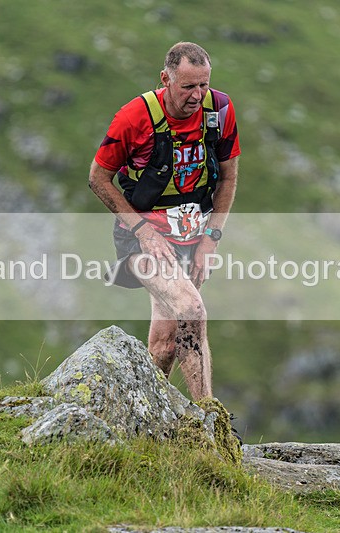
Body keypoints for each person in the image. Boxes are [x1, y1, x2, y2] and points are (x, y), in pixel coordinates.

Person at [89, 41, 240, 401]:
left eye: (203, 84)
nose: (197, 95)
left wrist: (210, 240)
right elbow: (98, 178)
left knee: (165, 342)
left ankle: (147, 420)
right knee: (191, 310)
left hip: (193, 235)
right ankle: (208, 419)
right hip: (142, 238)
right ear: (165, 79)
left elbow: (229, 178)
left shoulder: (219, 111)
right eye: (188, 86)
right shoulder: (134, 117)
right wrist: (143, 231)